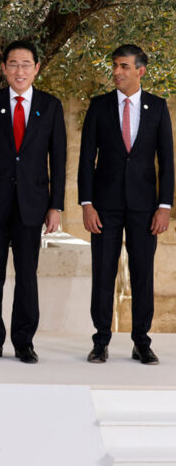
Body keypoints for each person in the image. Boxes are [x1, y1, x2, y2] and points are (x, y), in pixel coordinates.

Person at [0, 40, 67, 364]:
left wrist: (56, 206)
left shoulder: (50, 106)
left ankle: (24, 342)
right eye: (13, 64)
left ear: (36, 68)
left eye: (26, 64)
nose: (19, 70)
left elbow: (59, 159)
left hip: (32, 206)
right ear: (3, 68)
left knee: (27, 276)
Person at [78, 44, 174, 365]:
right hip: (104, 206)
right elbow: (85, 159)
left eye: (123, 66)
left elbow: (167, 162)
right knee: (103, 271)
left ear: (140, 71)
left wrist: (165, 206)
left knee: (142, 273)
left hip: (146, 207)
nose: (116, 72)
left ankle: (141, 342)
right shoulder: (99, 106)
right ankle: (101, 340)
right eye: (115, 66)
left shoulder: (158, 108)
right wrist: (87, 203)